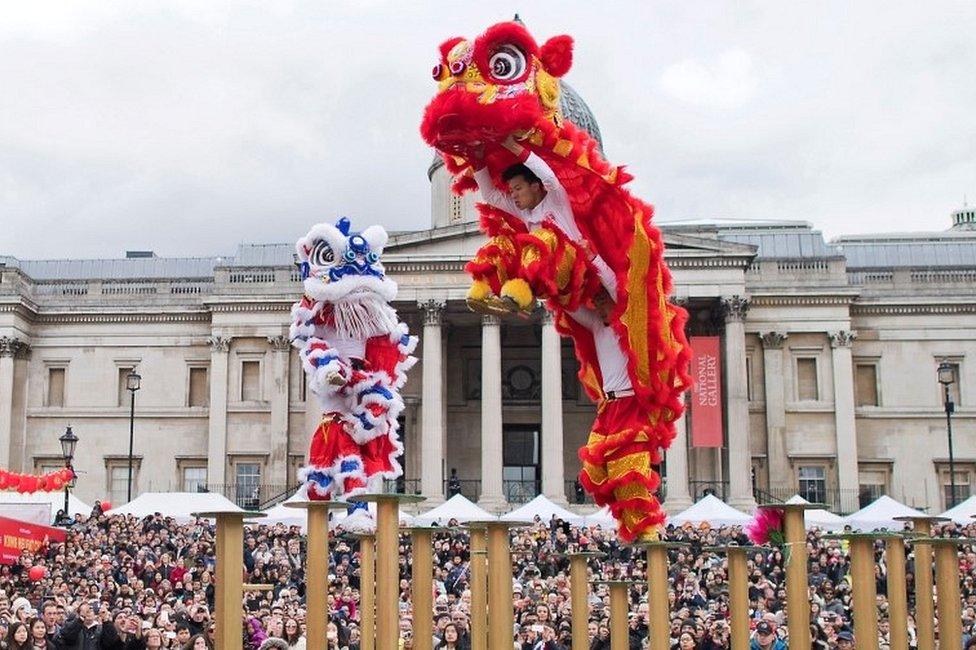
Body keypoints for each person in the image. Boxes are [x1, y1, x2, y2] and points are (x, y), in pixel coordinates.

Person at [469, 136, 617, 317]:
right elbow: (491, 196)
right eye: (511, 191)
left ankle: (522, 295)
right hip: (544, 274)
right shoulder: (524, 211)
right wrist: (477, 159)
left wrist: (513, 146)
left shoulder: (556, 201)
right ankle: (485, 290)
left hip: (572, 273)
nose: (513, 195)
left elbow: (548, 176)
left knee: (544, 237)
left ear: (535, 186)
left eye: (518, 189)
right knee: (502, 243)